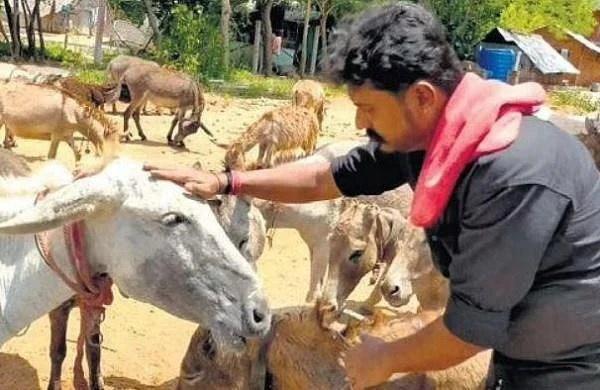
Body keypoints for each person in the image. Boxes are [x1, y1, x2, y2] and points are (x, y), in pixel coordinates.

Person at [145, 3, 600, 389]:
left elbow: (467, 332)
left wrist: (381, 359)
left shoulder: (512, 178)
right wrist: (229, 182)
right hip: (521, 354)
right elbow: (328, 177)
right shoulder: (430, 136)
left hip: (571, 370)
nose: (361, 124)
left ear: (422, 97)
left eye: (368, 108)